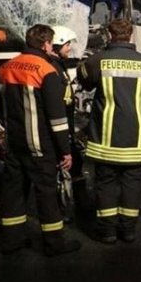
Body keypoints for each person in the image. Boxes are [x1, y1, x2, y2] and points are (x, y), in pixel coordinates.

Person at [0, 24, 81, 256]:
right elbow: (57, 118)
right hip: (40, 146)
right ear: (46, 44)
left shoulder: (6, 67)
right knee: (46, 194)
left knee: (13, 192)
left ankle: (11, 241)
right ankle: (54, 243)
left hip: (14, 144)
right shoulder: (46, 70)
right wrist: (65, 150)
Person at [77, 19, 141, 244]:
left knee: (105, 186)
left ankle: (108, 232)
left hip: (105, 142)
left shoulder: (100, 60)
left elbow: (82, 78)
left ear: (110, 36)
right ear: (131, 35)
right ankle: (129, 230)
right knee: (132, 186)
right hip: (136, 142)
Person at [50, 26, 91, 214]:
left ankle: (79, 205)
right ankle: (64, 211)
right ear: (58, 45)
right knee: (65, 169)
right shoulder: (53, 69)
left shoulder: (58, 67)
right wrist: (63, 142)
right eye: (67, 45)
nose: (69, 48)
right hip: (58, 130)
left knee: (75, 166)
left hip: (64, 128)